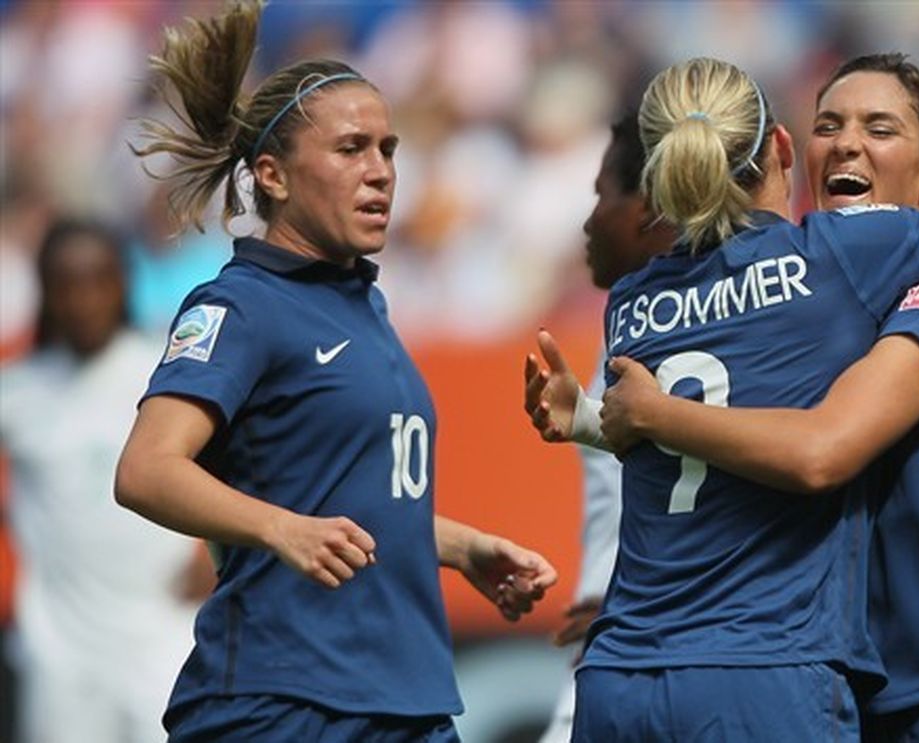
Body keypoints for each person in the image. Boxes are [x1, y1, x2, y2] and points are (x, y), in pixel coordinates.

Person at [527, 57, 919, 741]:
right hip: (769, 668)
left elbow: (684, 419)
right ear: (786, 147)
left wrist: (602, 419)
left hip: (624, 670)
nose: (848, 142)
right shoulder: (836, 258)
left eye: (877, 127)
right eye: (830, 124)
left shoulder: (631, 298)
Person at [113, 3, 556, 741]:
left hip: (407, 700)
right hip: (281, 700)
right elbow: (146, 469)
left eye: (388, 148)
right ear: (273, 175)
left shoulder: (366, 307)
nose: (380, 171)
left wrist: (461, 545)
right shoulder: (241, 306)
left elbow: (350, 500)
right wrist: (280, 530)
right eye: (351, 148)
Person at [0, 219, 210, 743]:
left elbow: (244, 468)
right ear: (45, 291)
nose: (83, 298)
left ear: (123, 283)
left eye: (98, 279)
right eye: (66, 282)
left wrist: (218, 550)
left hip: (161, 634)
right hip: (60, 650)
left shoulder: (165, 380)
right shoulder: (19, 393)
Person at [534, 112, 677, 743]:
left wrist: (638, 603)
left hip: (654, 651)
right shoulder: (628, 321)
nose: (589, 220)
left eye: (602, 196)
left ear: (647, 207)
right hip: (623, 634)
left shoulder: (675, 329)